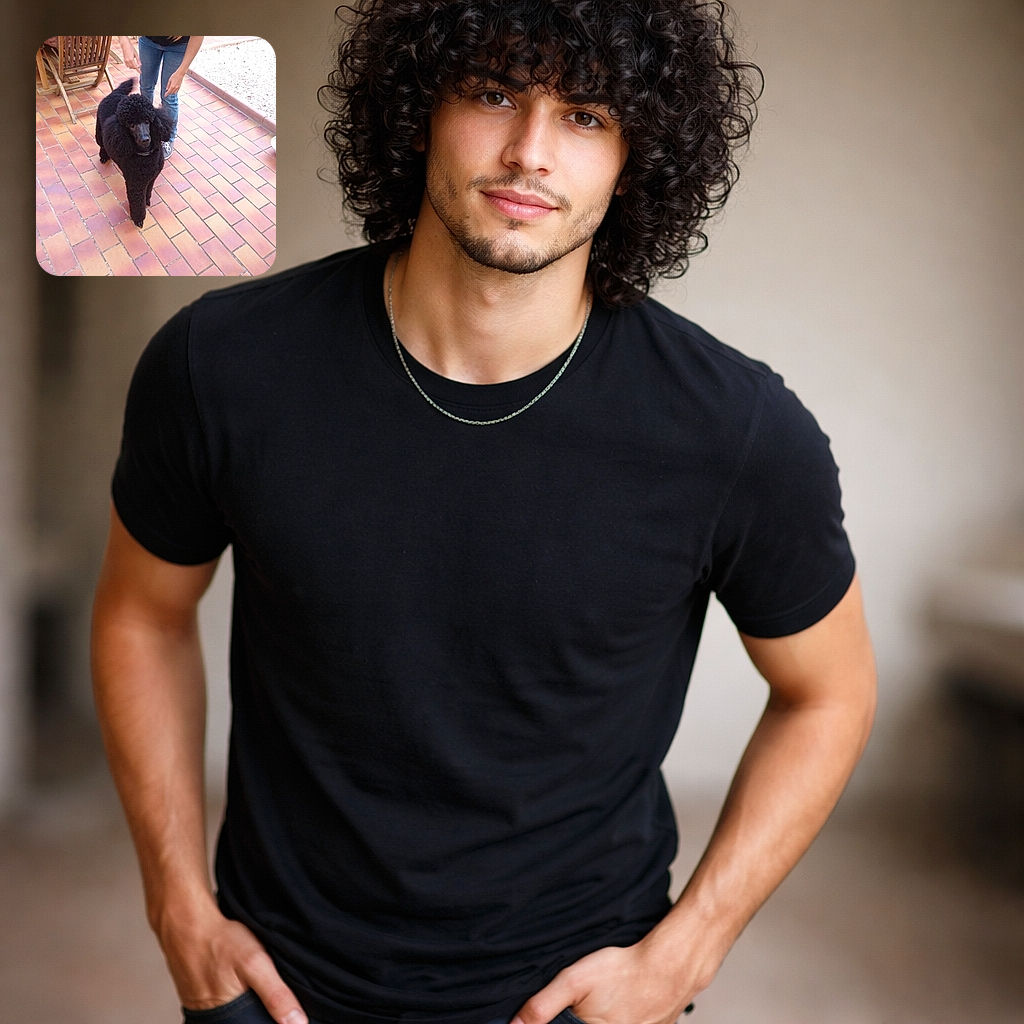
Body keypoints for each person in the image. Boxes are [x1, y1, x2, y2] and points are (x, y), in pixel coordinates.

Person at [92, 3, 876, 1024]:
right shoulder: (223, 367)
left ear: (636, 155)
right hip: (274, 991)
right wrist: (176, 903)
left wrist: (685, 953)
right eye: (494, 92)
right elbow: (140, 614)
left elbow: (831, 692)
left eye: (586, 115)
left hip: (576, 998)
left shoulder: (734, 432)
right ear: (418, 107)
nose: (529, 152)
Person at [118, 35, 204, 157]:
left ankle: (168, 138)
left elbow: (198, 33)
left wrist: (181, 72)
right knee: (146, 87)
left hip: (179, 46)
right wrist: (124, 41)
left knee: (169, 95)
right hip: (149, 41)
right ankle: (145, 133)